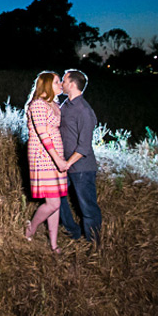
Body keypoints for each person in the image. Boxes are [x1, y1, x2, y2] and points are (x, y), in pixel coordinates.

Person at [23, 71, 70, 253]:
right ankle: (31, 228)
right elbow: (43, 134)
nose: (61, 84)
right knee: (53, 203)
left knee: (55, 201)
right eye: (57, 82)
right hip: (44, 156)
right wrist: (57, 159)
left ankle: (53, 243)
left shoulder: (54, 104)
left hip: (56, 156)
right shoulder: (37, 105)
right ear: (47, 85)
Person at [58, 69, 102, 243]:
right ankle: (73, 232)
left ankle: (94, 245)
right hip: (64, 164)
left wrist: (67, 164)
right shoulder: (65, 105)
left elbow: (84, 147)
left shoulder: (84, 110)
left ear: (72, 84)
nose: (62, 83)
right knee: (57, 200)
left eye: (64, 80)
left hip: (81, 167)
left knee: (87, 208)